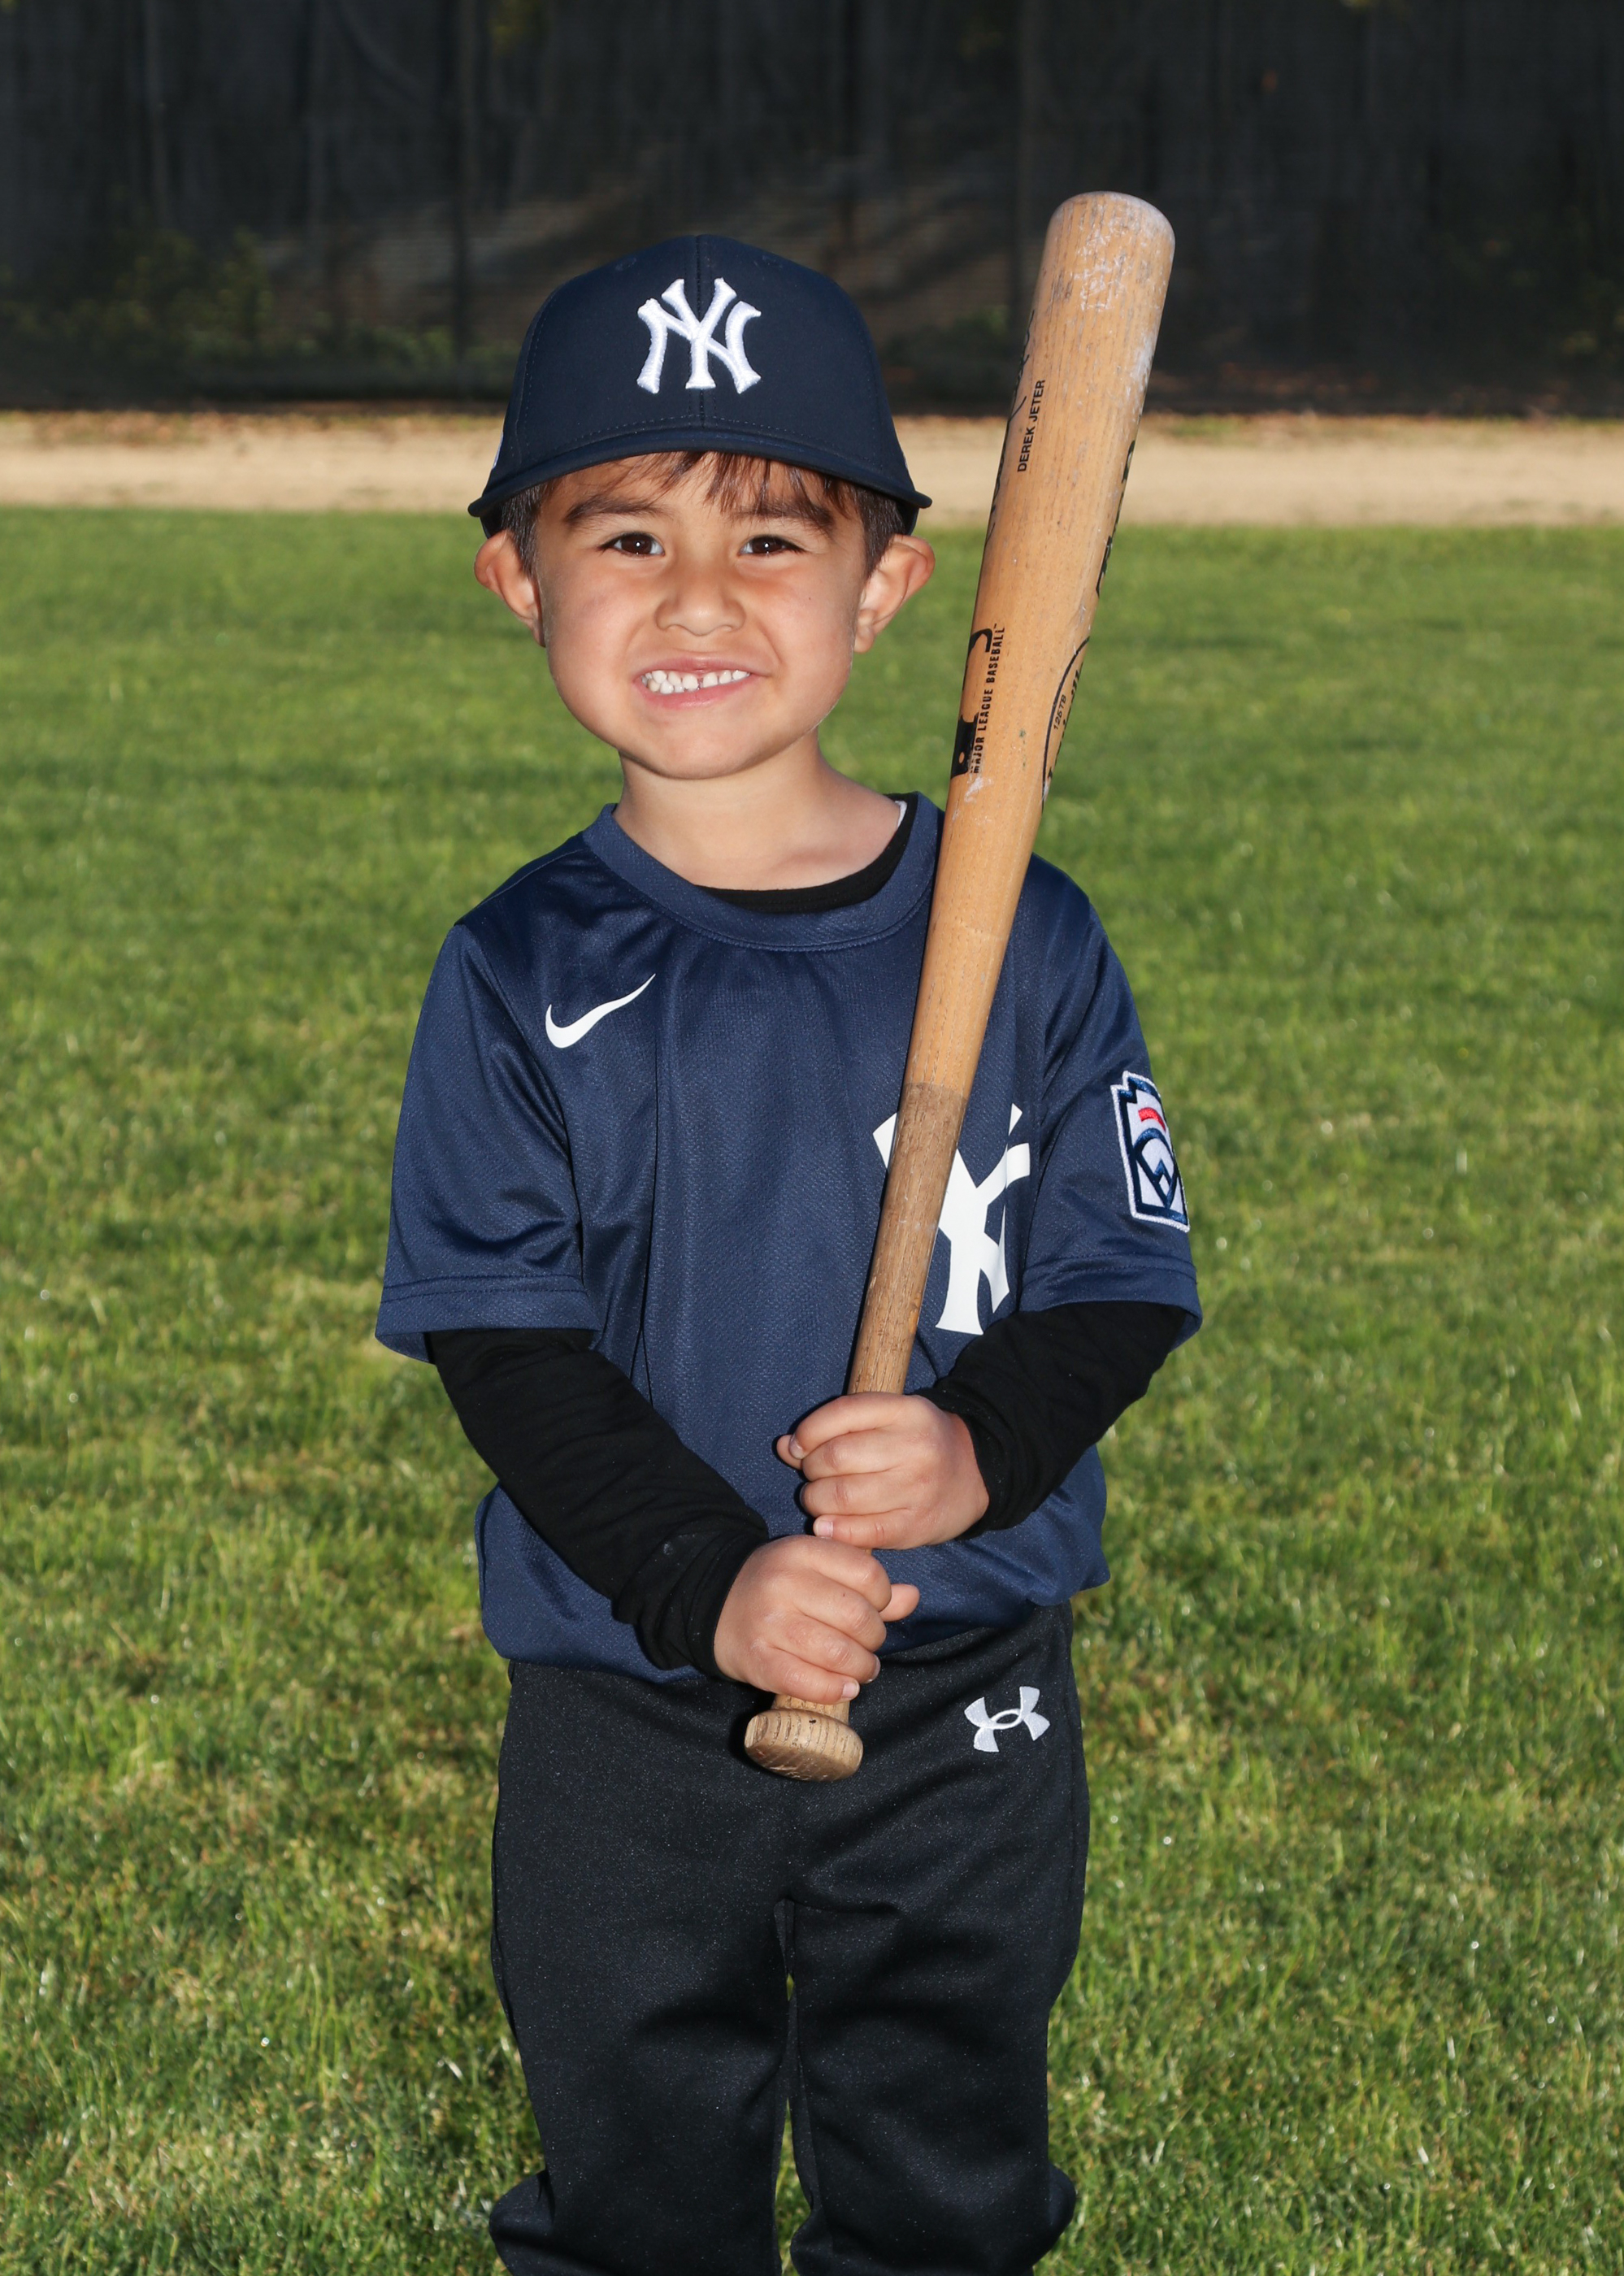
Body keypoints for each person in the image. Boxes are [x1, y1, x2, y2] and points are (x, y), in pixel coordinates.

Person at [376, 234, 1201, 2276]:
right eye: (624, 536)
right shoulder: (515, 969)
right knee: (639, 2153)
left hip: (960, 1680)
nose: (697, 597)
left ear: (887, 587)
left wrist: (976, 1447)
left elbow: (1120, 1271)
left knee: (945, 2154)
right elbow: (508, 1347)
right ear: (519, 582)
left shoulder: (1028, 934)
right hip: (625, 1685)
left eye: (770, 536)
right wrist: (710, 1579)